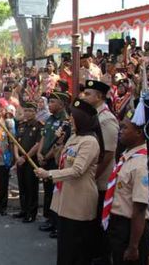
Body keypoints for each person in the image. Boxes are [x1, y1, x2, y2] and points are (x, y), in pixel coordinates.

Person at [35, 99, 103, 265]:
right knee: (65, 245)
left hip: (79, 200)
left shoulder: (90, 141)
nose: (69, 120)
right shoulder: (74, 137)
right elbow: (63, 161)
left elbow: (77, 170)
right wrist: (59, 144)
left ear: (82, 119)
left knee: (76, 247)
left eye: (73, 117)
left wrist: (49, 174)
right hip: (66, 198)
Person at [105, 112, 149, 265]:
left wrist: (133, 246)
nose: (120, 131)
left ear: (139, 133)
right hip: (119, 225)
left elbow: (140, 209)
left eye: (124, 128)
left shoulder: (141, 164)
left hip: (130, 229)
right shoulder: (128, 155)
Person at [82, 80, 119, 264]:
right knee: (93, 220)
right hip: (93, 178)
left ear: (99, 97)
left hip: (102, 180)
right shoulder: (95, 115)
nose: (84, 96)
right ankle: (94, 253)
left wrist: (93, 176)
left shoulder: (107, 119)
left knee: (101, 221)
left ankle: (103, 257)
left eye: (88, 94)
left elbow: (109, 153)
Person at [36, 91, 71, 237]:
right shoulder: (49, 119)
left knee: (57, 193)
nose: (49, 105)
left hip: (54, 161)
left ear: (62, 104)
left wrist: (46, 156)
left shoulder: (65, 121)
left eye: (52, 102)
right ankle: (50, 220)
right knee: (48, 191)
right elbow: (43, 137)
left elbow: (58, 143)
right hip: (44, 159)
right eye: (49, 102)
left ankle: (57, 224)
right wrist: (39, 153)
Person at [14, 101, 42, 223]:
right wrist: (17, 157)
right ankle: (23, 210)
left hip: (31, 161)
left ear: (35, 112)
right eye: (25, 110)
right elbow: (15, 143)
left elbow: (37, 145)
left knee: (31, 187)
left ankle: (31, 213)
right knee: (22, 186)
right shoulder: (21, 125)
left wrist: (24, 158)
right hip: (20, 161)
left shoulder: (39, 125)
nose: (27, 113)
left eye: (30, 111)